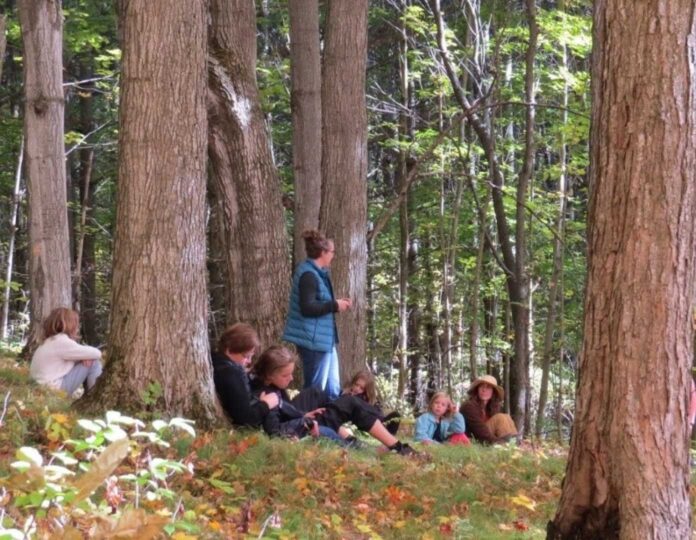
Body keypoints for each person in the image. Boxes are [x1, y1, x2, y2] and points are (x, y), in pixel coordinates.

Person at [251, 346, 418, 456]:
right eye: (285, 375)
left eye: (291, 373)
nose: (291, 378)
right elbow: (274, 430)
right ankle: (399, 448)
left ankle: (384, 437)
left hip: (300, 421)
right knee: (349, 403)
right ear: (269, 374)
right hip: (302, 428)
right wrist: (305, 422)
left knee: (319, 394)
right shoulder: (266, 395)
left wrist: (303, 414)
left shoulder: (273, 385)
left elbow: (285, 411)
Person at [282, 229, 351, 400]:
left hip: (324, 340)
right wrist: (335, 305)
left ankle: (330, 422)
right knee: (314, 389)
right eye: (332, 252)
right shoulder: (308, 275)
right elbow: (308, 308)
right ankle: (305, 423)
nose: (333, 256)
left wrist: (336, 303)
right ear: (323, 252)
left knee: (332, 388)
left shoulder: (317, 274)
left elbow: (318, 301)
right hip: (313, 340)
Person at [211, 323, 279, 427]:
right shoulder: (232, 373)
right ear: (229, 350)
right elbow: (246, 418)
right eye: (246, 356)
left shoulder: (215, 361)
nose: (249, 361)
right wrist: (266, 404)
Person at [30, 307, 103, 396]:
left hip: (41, 388)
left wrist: (83, 357)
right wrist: (86, 356)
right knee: (94, 362)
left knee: (87, 359)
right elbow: (97, 353)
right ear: (70, 325)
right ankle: (95, 397)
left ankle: (90, 396)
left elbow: (68, 361)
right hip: (53, 390)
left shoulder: (50, 341)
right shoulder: (62, 341)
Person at [459, 375, 518, 444]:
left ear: (493, 392)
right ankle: (509, 446)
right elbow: (481, 432)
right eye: (482, 386)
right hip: (472, 439)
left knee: (506, 417)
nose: (484, 390)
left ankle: (515, 444)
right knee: (500, 418)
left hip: (486, 439)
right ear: (477, 389)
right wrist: (500, 443)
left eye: (488, 387)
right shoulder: (468, 406)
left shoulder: (490, 408)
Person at [344, 370, 400, 435]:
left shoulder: (369, 401)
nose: (357, 389)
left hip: (374, 424)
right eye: (356, 385)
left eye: (361, 388)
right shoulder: (345, 395)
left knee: (396, 416)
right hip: (355, 426)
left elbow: (378, 415)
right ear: (353, 383)